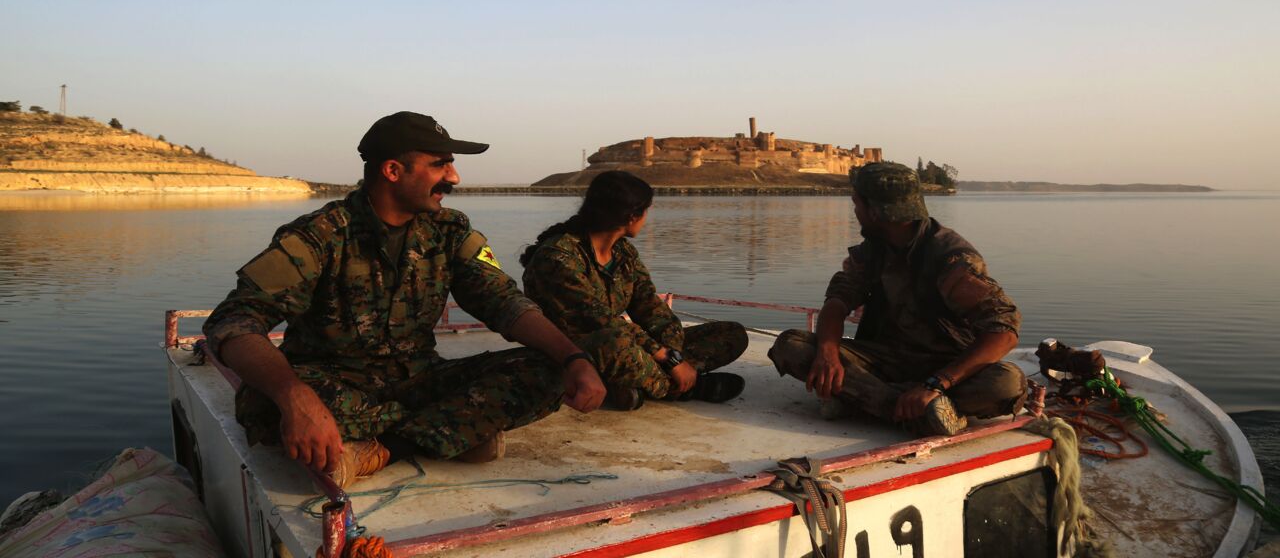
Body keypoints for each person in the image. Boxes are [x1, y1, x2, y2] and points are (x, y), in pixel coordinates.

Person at [202, 112, 606, 488]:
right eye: (440, 165)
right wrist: (295, 396)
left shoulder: (449, 230)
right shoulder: (321, 235)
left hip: (418, 378)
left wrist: (574, 358)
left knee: (548, 370)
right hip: (333, 384)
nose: (455, 177)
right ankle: (453, 432)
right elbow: (235, 319)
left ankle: (378, 450)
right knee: (263, 402)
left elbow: (502, 301)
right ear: (393, 171)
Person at [768, 161, 1025, 436]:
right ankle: (920, 412)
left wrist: (936, 384)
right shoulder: (873, 251)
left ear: (876, 211)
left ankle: (869, 402)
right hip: (883, 360)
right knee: (792, 346)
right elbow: (837, 302)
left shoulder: (949, 258)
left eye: (857, 205)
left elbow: (1004, 331)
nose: (855, 213)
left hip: (944, 364)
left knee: (1006, 384)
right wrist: (828, 354)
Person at [520, 170, 748, 411]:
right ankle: (687, 387)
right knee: (616, 345)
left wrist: (674, 354)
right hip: (573, 352)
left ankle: (635, 384)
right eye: (646, 211)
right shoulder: (558, 258)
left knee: (732, 334)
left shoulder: (623, 252)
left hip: (626, 343)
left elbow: (649, 305)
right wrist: (665, 358)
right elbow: (602, 322)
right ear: (631, 216)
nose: (647, 217)